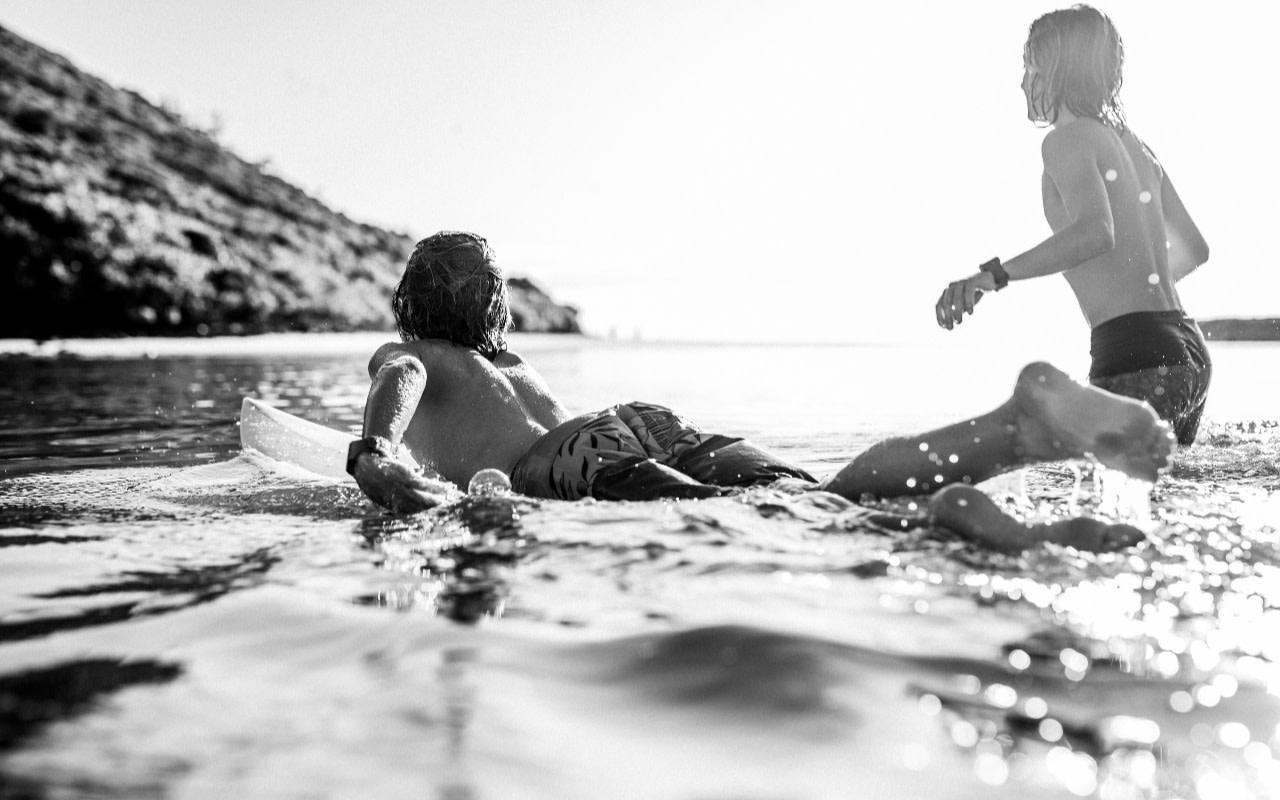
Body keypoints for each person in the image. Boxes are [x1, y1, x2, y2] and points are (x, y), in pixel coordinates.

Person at [350, 231, 1173, 553]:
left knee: (781, 527)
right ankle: (1011, 429)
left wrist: (374, 452)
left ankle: (939, 523)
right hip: (635, 421)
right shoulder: (515, 368)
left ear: (413, 304)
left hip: (561, 464)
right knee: (815, 495)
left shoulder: (418, 353)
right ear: (493, 309)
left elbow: (402, 379)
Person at [935, 5, 1211, 445]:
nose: (1023, 81)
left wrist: (992, 275)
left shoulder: (1064, 140)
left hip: (1134, 355)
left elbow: (1095, 232)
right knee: (1158, 495)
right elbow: (1196, 250)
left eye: (1032, 68)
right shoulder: (1137, 146)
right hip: (1188, 351)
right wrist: (1130, 290)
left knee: (1100, 499)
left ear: (1059, 72)